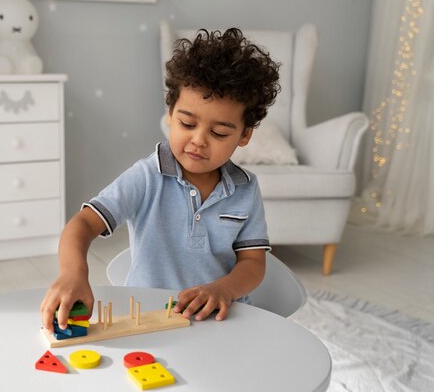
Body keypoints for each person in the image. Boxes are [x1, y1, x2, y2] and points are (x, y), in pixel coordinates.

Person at [40, 27, 280, 332]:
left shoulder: (246, 189)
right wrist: (73, 273)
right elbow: (83, 224)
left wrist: (225, 289)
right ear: (170, 113)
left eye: (219, 133)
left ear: (244, 135)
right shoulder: (146, 177)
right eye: (187, 123)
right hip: (149, 318)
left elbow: (253, 263)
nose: (199, 140)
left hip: (220, 319)